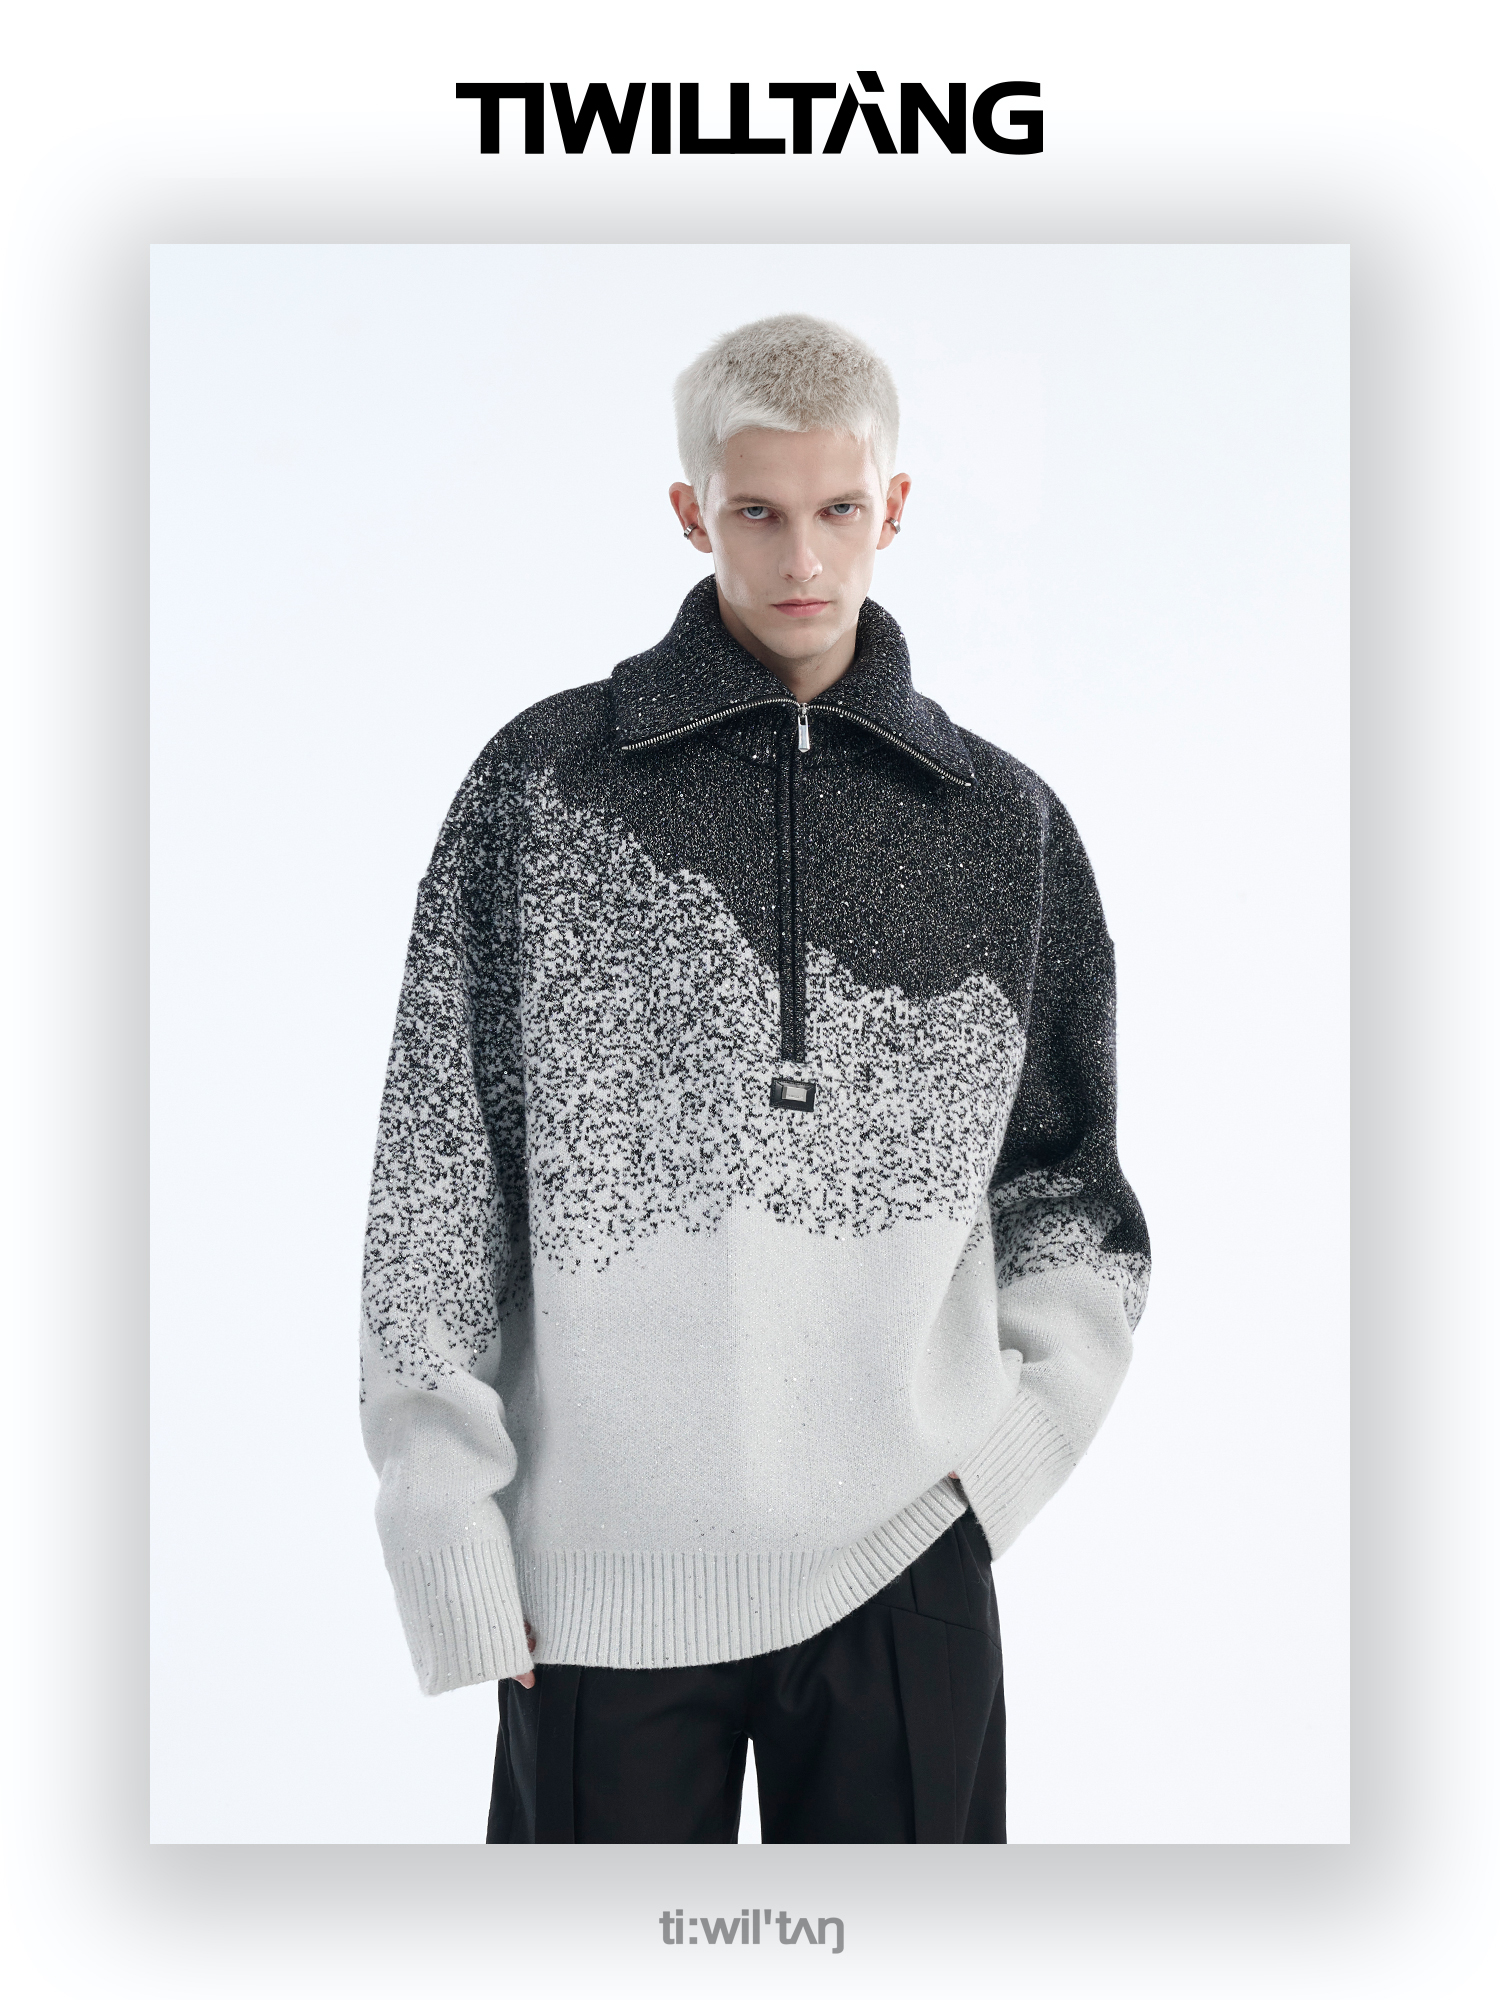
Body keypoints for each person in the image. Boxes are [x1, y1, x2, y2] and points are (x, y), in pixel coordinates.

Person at [359, 312, 1149, 1844]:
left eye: (839, 508)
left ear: (893, 507)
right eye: (758, 512)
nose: (803, 555)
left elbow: (1070, 1185)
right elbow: (438, 1175)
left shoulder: (1003, 825)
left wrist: (1002, 1468)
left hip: (904, 1559)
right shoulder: (543, 789)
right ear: (691, 511)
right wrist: (449, 1527)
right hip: (594, 1585)